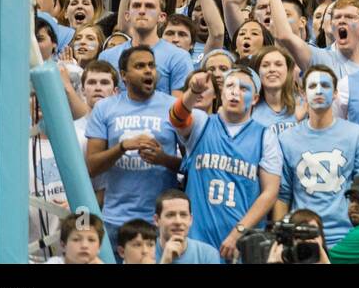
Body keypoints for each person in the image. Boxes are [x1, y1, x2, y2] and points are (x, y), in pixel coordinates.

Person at [170, 68, 282, 260]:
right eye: (230, 86)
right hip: (197, 239)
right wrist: (193, 92)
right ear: (220, 94)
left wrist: (239, 231)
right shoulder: (201, 123)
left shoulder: (265, 136)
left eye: (244, 88)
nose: (235, 92)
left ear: (255, 99)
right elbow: (177, 117)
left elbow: (270, 193)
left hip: (241, 243)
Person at [84, 45, 182, 248]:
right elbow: (92, 167)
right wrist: (122, 147)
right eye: (140, 66)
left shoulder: (174, 107)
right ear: (123, 75)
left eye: (151, 65)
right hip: (115, 219)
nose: (148, 71)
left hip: (160, 220)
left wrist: (162, 159)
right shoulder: (105, 108)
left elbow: (192, 166)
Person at [274, 65, 359, 247]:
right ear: (303, 94)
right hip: (301, 236)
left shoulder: (357, 135)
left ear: (336, 93)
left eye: (325, 86)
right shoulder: (286, 139)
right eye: (312, 86)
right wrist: (282, 241)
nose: (319, 91)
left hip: (347, 237)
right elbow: (283, 195)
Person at [153, 189, 222, 264]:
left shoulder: (208, 254)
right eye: (170, 215)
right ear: (157, 220)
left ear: (190, 219)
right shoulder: (144, 251)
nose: (178, 221)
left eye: (183, 215)